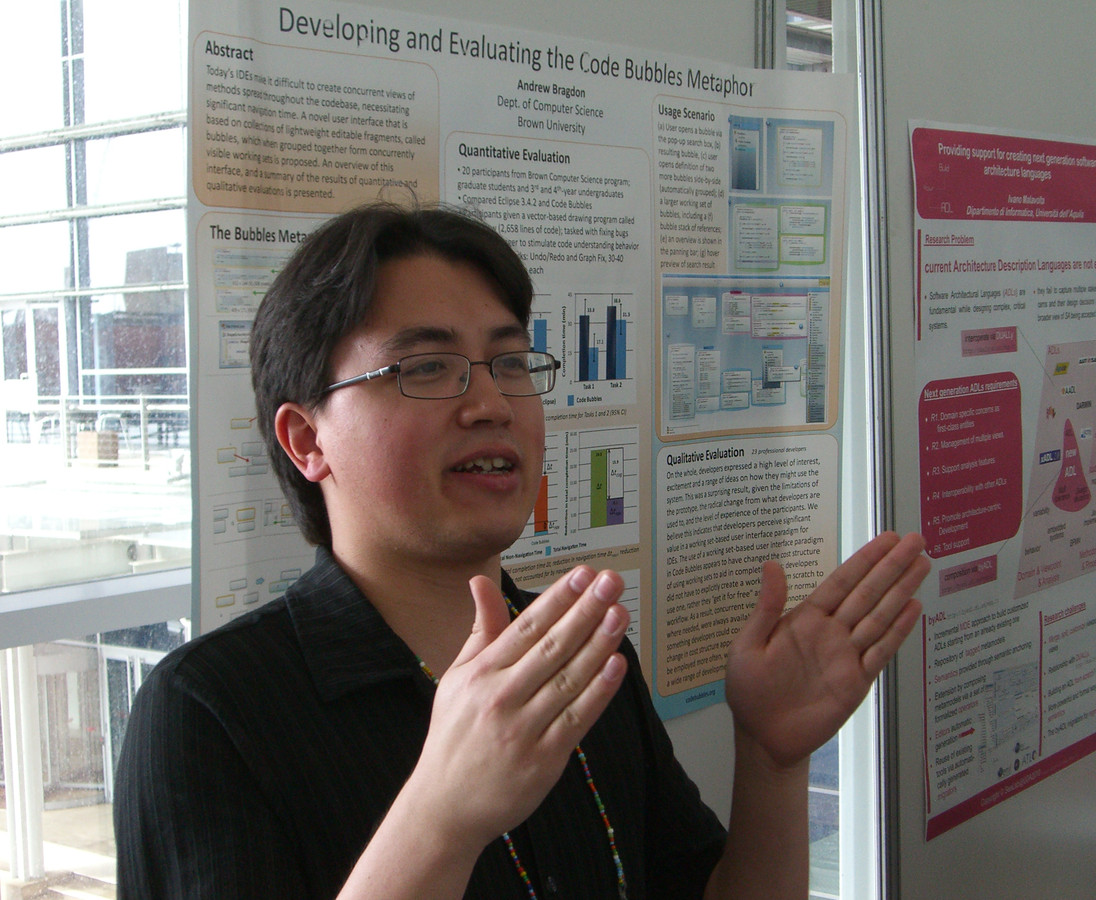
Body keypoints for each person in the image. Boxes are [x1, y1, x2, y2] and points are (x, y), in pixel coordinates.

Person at [114, 201, 930, 899]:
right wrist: (439, 818)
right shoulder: (208, 713)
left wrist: (773, 759)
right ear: (306, 440)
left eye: (509, 362)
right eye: (426, 367)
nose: (491, 403)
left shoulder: (583, 658)